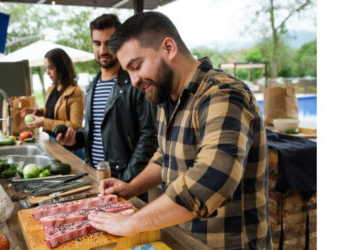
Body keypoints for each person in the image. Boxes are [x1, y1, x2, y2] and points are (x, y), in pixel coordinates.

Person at [87, 12, 272, 249]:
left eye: (137, 66)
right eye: (128, 71)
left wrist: (130, 223)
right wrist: (131, 187)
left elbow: (210, 182)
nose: (133, 81)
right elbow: (165, 157)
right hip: (183, 241)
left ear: (168, 48)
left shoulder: (223, 95)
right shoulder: (168, 97)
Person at [57, 14, 158, 201]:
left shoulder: (135, 83)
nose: (103, 49)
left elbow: (149, 137)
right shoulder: (92, 85)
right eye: (97, 43)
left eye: (109, 42)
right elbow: (96, 132)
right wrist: (75, 140)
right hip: (96, 178)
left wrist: (127, 181)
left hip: (127, 182)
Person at [20, 48, 85, 158]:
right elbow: (52, 111)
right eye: (46, 68)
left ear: (62, 68)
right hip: (52, 140)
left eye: (51, 68)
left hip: (70, 146)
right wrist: (37, 111)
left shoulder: (76, 92)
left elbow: (76, 124)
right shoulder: (52, 88)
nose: (47, 72)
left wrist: (44, 122)